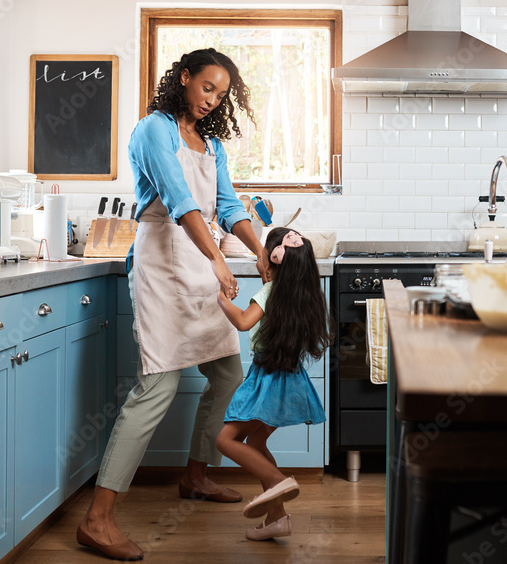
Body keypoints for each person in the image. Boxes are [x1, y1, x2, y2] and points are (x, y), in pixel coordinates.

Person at [77, 48, 268, 561]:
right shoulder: (152, 130)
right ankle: (97, 520)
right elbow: (179, 198)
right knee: (157, 386)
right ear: (184, 79)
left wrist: (260, 252)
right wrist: (218, 259)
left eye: (222, 94)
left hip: (202, 263)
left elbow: (227, 206)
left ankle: (196, 477)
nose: (213, 100)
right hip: (164, 261)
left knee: (227, 374)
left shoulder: (211, 145)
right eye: (207, 87)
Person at [214, 227, 332, 541]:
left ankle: (278, 480)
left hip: (266, 379)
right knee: (255, 442)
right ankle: (277, 517)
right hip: (291, 378)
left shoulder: (269, 294)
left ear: (275, 259)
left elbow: (242, 321)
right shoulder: (304, 294)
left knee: (225, 441)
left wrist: (222, 299)